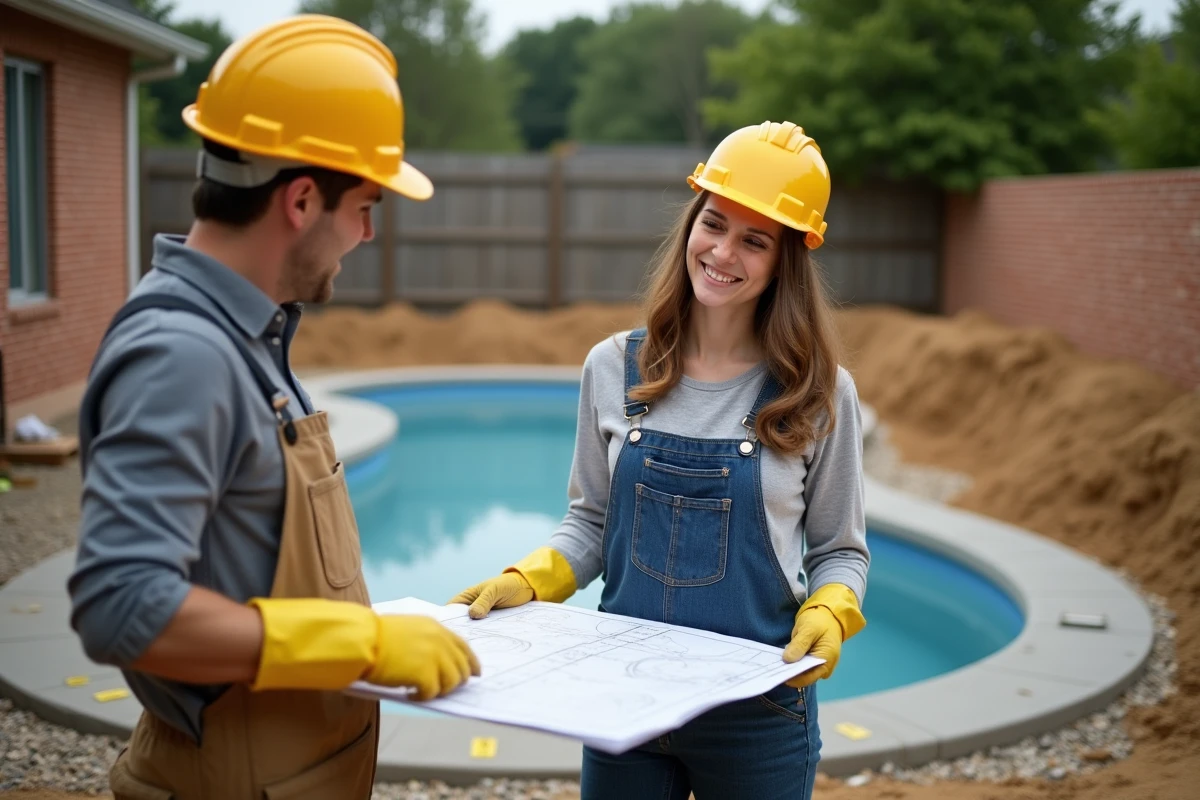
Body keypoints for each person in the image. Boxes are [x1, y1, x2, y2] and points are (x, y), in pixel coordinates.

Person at [67, 15, 479, 800]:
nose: (364, 234)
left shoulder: (243, 335)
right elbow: (120, 605)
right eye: (365, 206)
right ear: (298, 199)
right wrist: (354, 642)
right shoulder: (183, 356)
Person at [450, 120, 870, 800]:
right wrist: (530, 579)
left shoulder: (820, 393)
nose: (723, 252)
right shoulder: (614, 368)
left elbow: (841, 550)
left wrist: (830, 608)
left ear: (785, 260)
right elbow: (590, 524)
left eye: (754, 240)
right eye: (714, 223)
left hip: (758, 716)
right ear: (690, 225)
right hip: (623, 704)